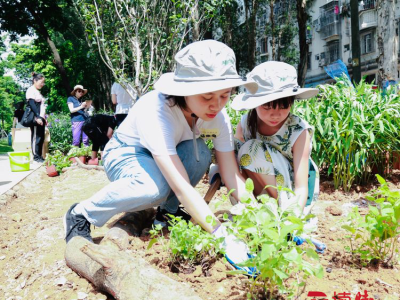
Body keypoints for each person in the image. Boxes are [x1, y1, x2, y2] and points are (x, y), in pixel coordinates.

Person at [64, 40, 259, 274]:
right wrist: (220, 234)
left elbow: (230, 172)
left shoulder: (218, 117)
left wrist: (260, 215)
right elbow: (180, 185)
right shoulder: (157, 110)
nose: (216, 105)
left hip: (168, 154)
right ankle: (82, 212)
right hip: (127, 152)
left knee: (201, 154)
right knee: (152, 188)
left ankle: (168, 213)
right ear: (183, 90)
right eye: (207, 97)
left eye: (225, 95)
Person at [232, 61, 320, 216]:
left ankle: (279, 214)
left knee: (251, 150)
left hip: (289, 195)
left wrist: (294, 217)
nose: (275, 114)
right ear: (255, 103)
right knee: (238, 154)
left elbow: (301, 185)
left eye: (283, 106)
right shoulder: (245, 124)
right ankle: (255, 210)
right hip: (256, 191)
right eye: (267, 107)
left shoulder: (299, 131)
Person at [26, 72, 46, 163]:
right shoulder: (31, 90)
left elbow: (42, 106)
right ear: (35, 80)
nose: (43, 84)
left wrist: (44, 118)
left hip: (41, 118)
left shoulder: (38, 91)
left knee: (40, 137)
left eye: (43, 82)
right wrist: (37, 117)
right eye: (41, 82)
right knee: (35, 137)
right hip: (35, 118)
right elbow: (32, 104)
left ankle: (39, 156)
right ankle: (36, 157)